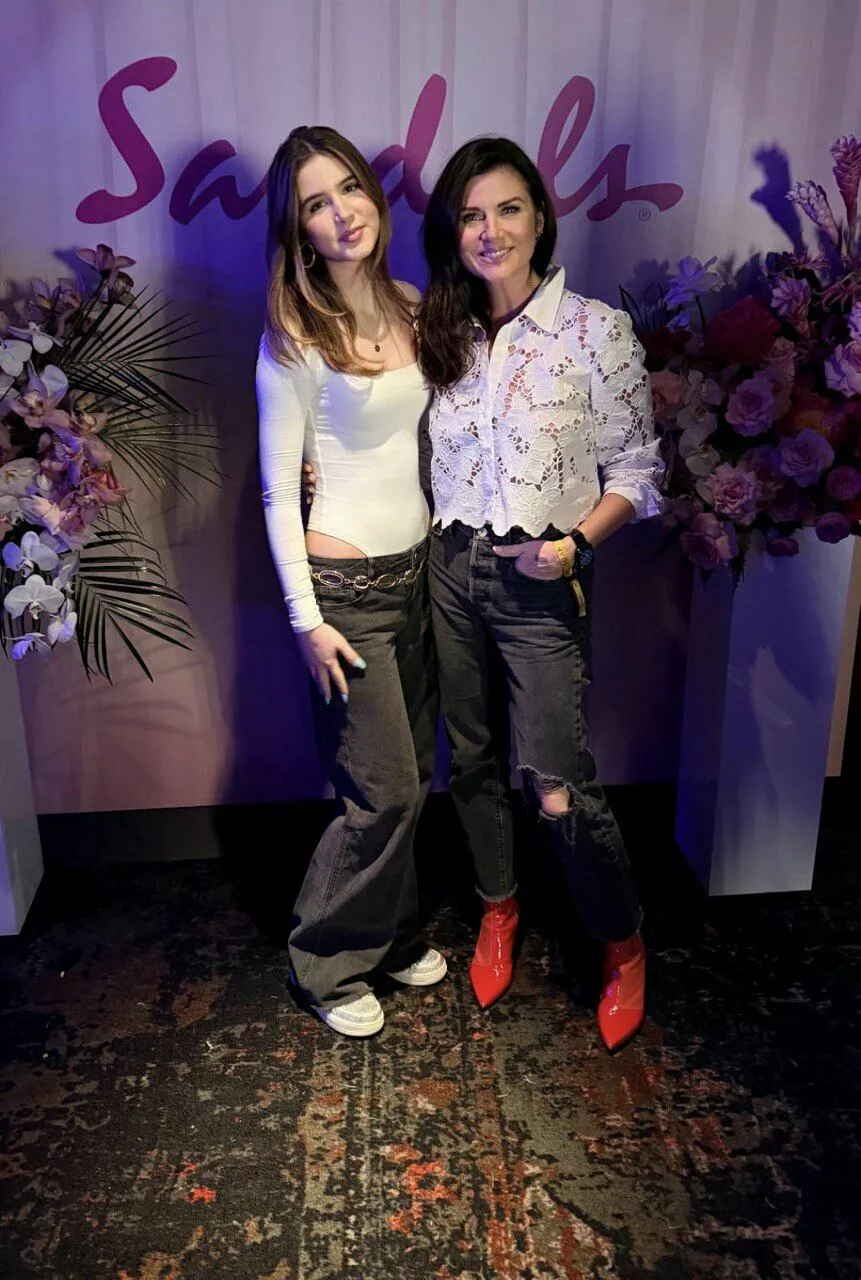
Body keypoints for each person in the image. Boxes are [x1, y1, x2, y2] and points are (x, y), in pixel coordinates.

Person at [416, 137, 664, 1051]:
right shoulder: (439, 332)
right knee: (472, 761)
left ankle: (622, 941)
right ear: (453, 232)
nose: (491, 231)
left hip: (540, 576)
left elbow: (639, 471)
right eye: (471, 216)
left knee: (556, 785)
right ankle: (498, 908)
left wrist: (573, 547)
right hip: (448, 568)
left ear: (539, 217)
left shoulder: (595, 331)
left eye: (507, 209)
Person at [256, 125, 444, 1038]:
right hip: (345, 595)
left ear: (373, 194)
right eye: (315, 205)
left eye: (349, 190)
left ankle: (390, 931)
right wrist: (305, 620)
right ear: (297, 231)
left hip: (420, 579)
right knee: (385, 790)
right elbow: (273, 489)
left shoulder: (412, 305)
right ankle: (325, 961)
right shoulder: (292, 338)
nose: (340, 214)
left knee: (416, 774)